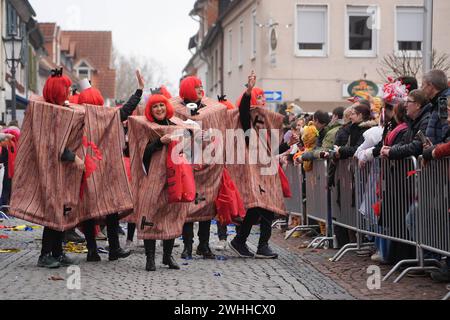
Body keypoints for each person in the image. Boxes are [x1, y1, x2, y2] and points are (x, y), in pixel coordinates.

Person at [229, 71, 298, 259]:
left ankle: (245, 242)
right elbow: (244, 111)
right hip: (254, 173)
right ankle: (255, 244)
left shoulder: (264, 129)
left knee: (261, 208)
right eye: (259, 99)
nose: (263, 102)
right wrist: (248, 92)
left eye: (263, 99)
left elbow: (271, 152)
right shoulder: (246, 125)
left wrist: (287, 145)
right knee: (262, 207)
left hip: (267, 172)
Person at [79, 71, 144, 262]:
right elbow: (126, 110)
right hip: (106, 169)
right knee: (111, 208)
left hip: (86, 170)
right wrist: (139, 90)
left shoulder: (76, 114)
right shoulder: (108, 115)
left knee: (88, 211)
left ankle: (92, 251)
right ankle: (114, 248)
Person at [129, 93, 191, 271]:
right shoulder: (147, 127)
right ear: (150, 110)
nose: (159, 109)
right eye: (155, 106)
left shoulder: (177, 125)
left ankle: (167, 256)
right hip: (153, 178)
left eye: (161, 105)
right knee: (150, 213)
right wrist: (158, 142)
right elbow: (141, 152)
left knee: (172, 212)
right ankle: (150, 258)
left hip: (173, 176)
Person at [421, 70, 449, 145]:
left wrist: (434, 150)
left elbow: (447, 136)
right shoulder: (437, 102)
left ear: (430, 86)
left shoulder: (444, 102)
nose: (421, 89)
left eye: (423, 85)